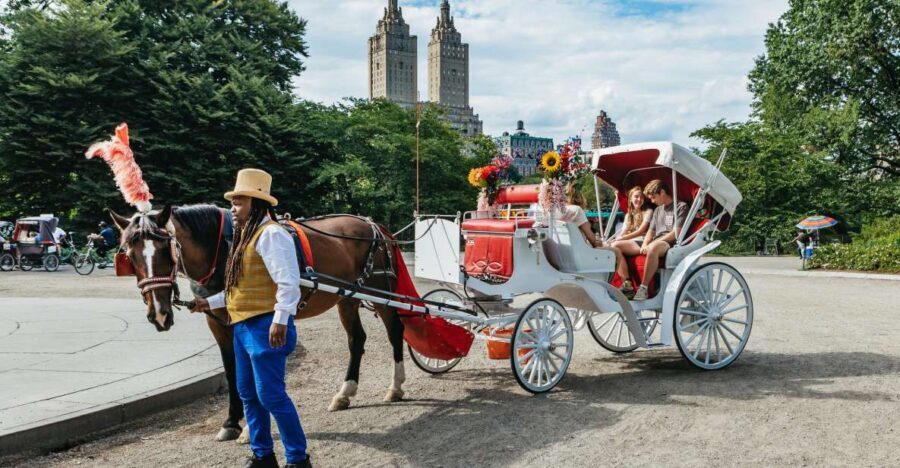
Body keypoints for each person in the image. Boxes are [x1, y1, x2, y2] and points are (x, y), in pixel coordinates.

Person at [191, 168, 311, 468]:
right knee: (248, 394)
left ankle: (298, 458)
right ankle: (263, 455)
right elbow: (239, 288)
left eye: (239, 202)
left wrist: (280, 320)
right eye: (233, 202)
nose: (233, 207)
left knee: (271, 395)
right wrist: (208, 302)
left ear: (257, 204)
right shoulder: (247, 236)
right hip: (243, 326)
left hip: (265, 326)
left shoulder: (271, 234)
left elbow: (288, 282)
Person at [632, 179, 688, 301]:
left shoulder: (681, 206)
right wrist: (645, 243)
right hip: (654, 241)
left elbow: (675, 233)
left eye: (653, 197)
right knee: (618, 245)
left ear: (662, 192)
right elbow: (650, 231)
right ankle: (627, 284)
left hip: (668, 242)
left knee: (653, 248)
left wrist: (653, 243)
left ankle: (644, 288)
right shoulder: (658, 210)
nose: (652, 201)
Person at [607, 186, 654, 295]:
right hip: (631, 242)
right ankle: (625, 282)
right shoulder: (629, 215)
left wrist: (621, 239)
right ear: (631, 199)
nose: (639, 199)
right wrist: (613, 240)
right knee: (611, 247)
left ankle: (627, 284)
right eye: (636, 197)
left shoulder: (648, 212)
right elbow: (623, 232)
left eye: (641, 197)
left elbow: (641, 231)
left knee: (615, 246)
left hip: (643, 242)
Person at [558, 183, 600, 247]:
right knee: (616, 250)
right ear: (580, 198)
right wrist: (602, 242)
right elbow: (593, 241)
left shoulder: (559, 210)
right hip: (581, 251)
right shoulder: (577, 210)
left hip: (565, 248)